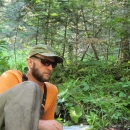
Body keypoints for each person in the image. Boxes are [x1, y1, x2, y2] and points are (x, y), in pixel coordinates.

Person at [0, 44, 63, 130]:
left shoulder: (51, 90)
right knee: (31, 87)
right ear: (30, 62)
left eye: (53, 64)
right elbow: (3, 115)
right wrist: (38, 124)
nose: (50, 68)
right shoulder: (11, 77)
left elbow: (47, 125)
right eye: (46, 62)